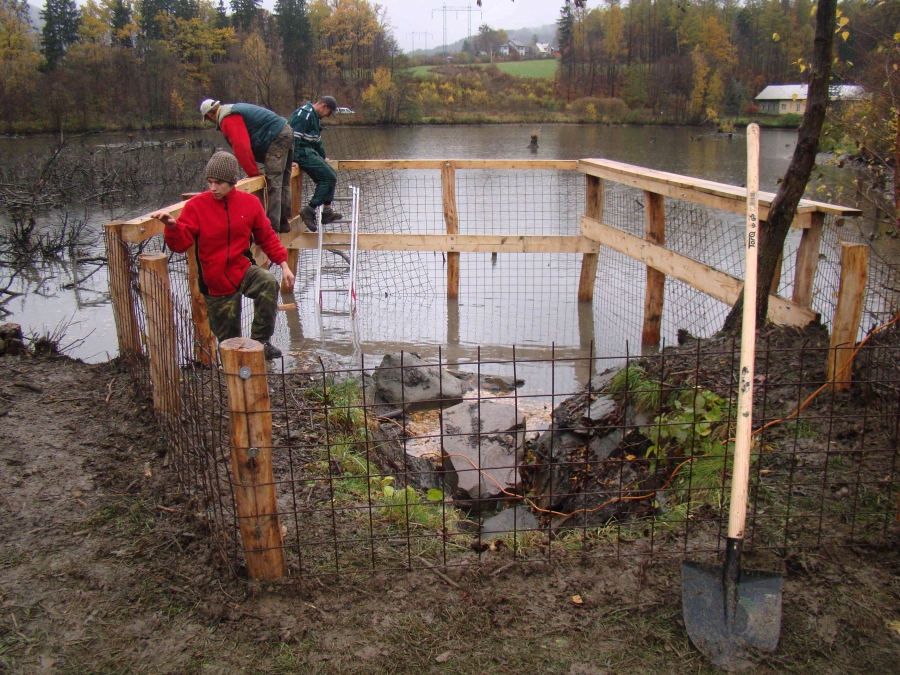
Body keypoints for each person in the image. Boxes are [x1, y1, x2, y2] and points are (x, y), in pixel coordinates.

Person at [151, 152, 295, 361]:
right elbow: (180, 245)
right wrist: (172, 226)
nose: (213, 188)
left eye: (218, 183)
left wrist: (284, 264)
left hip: (242, 269)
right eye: (209, 182)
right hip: (215, 281)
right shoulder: (196, 207)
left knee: (268, 283)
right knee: (230, 343)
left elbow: (267, 236)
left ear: (231, 182)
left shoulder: (249, 204)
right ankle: (234, 373)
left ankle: (262, 342)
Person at [199, 99, 294, 235]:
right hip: (285, 130)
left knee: (274, 182)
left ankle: (272, 228)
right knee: (283, 180)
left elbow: (241, 147)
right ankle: (283, 221)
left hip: (276, 136)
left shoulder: (228, 118)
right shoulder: (232, 109)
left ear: (209, 116)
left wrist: (253, 173)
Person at [290, 96, 342, 232]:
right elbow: (294, 138)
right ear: (324, 106)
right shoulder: (303, 115)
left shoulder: (315, 118)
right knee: (327, 178)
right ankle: (309, 210)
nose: (328, 116)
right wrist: (293, 159)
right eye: (329, 112)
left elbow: (317, 141)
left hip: (309, 152)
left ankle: (327, 211)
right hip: (302, 153)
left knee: (331, 175)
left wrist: (324, 157)